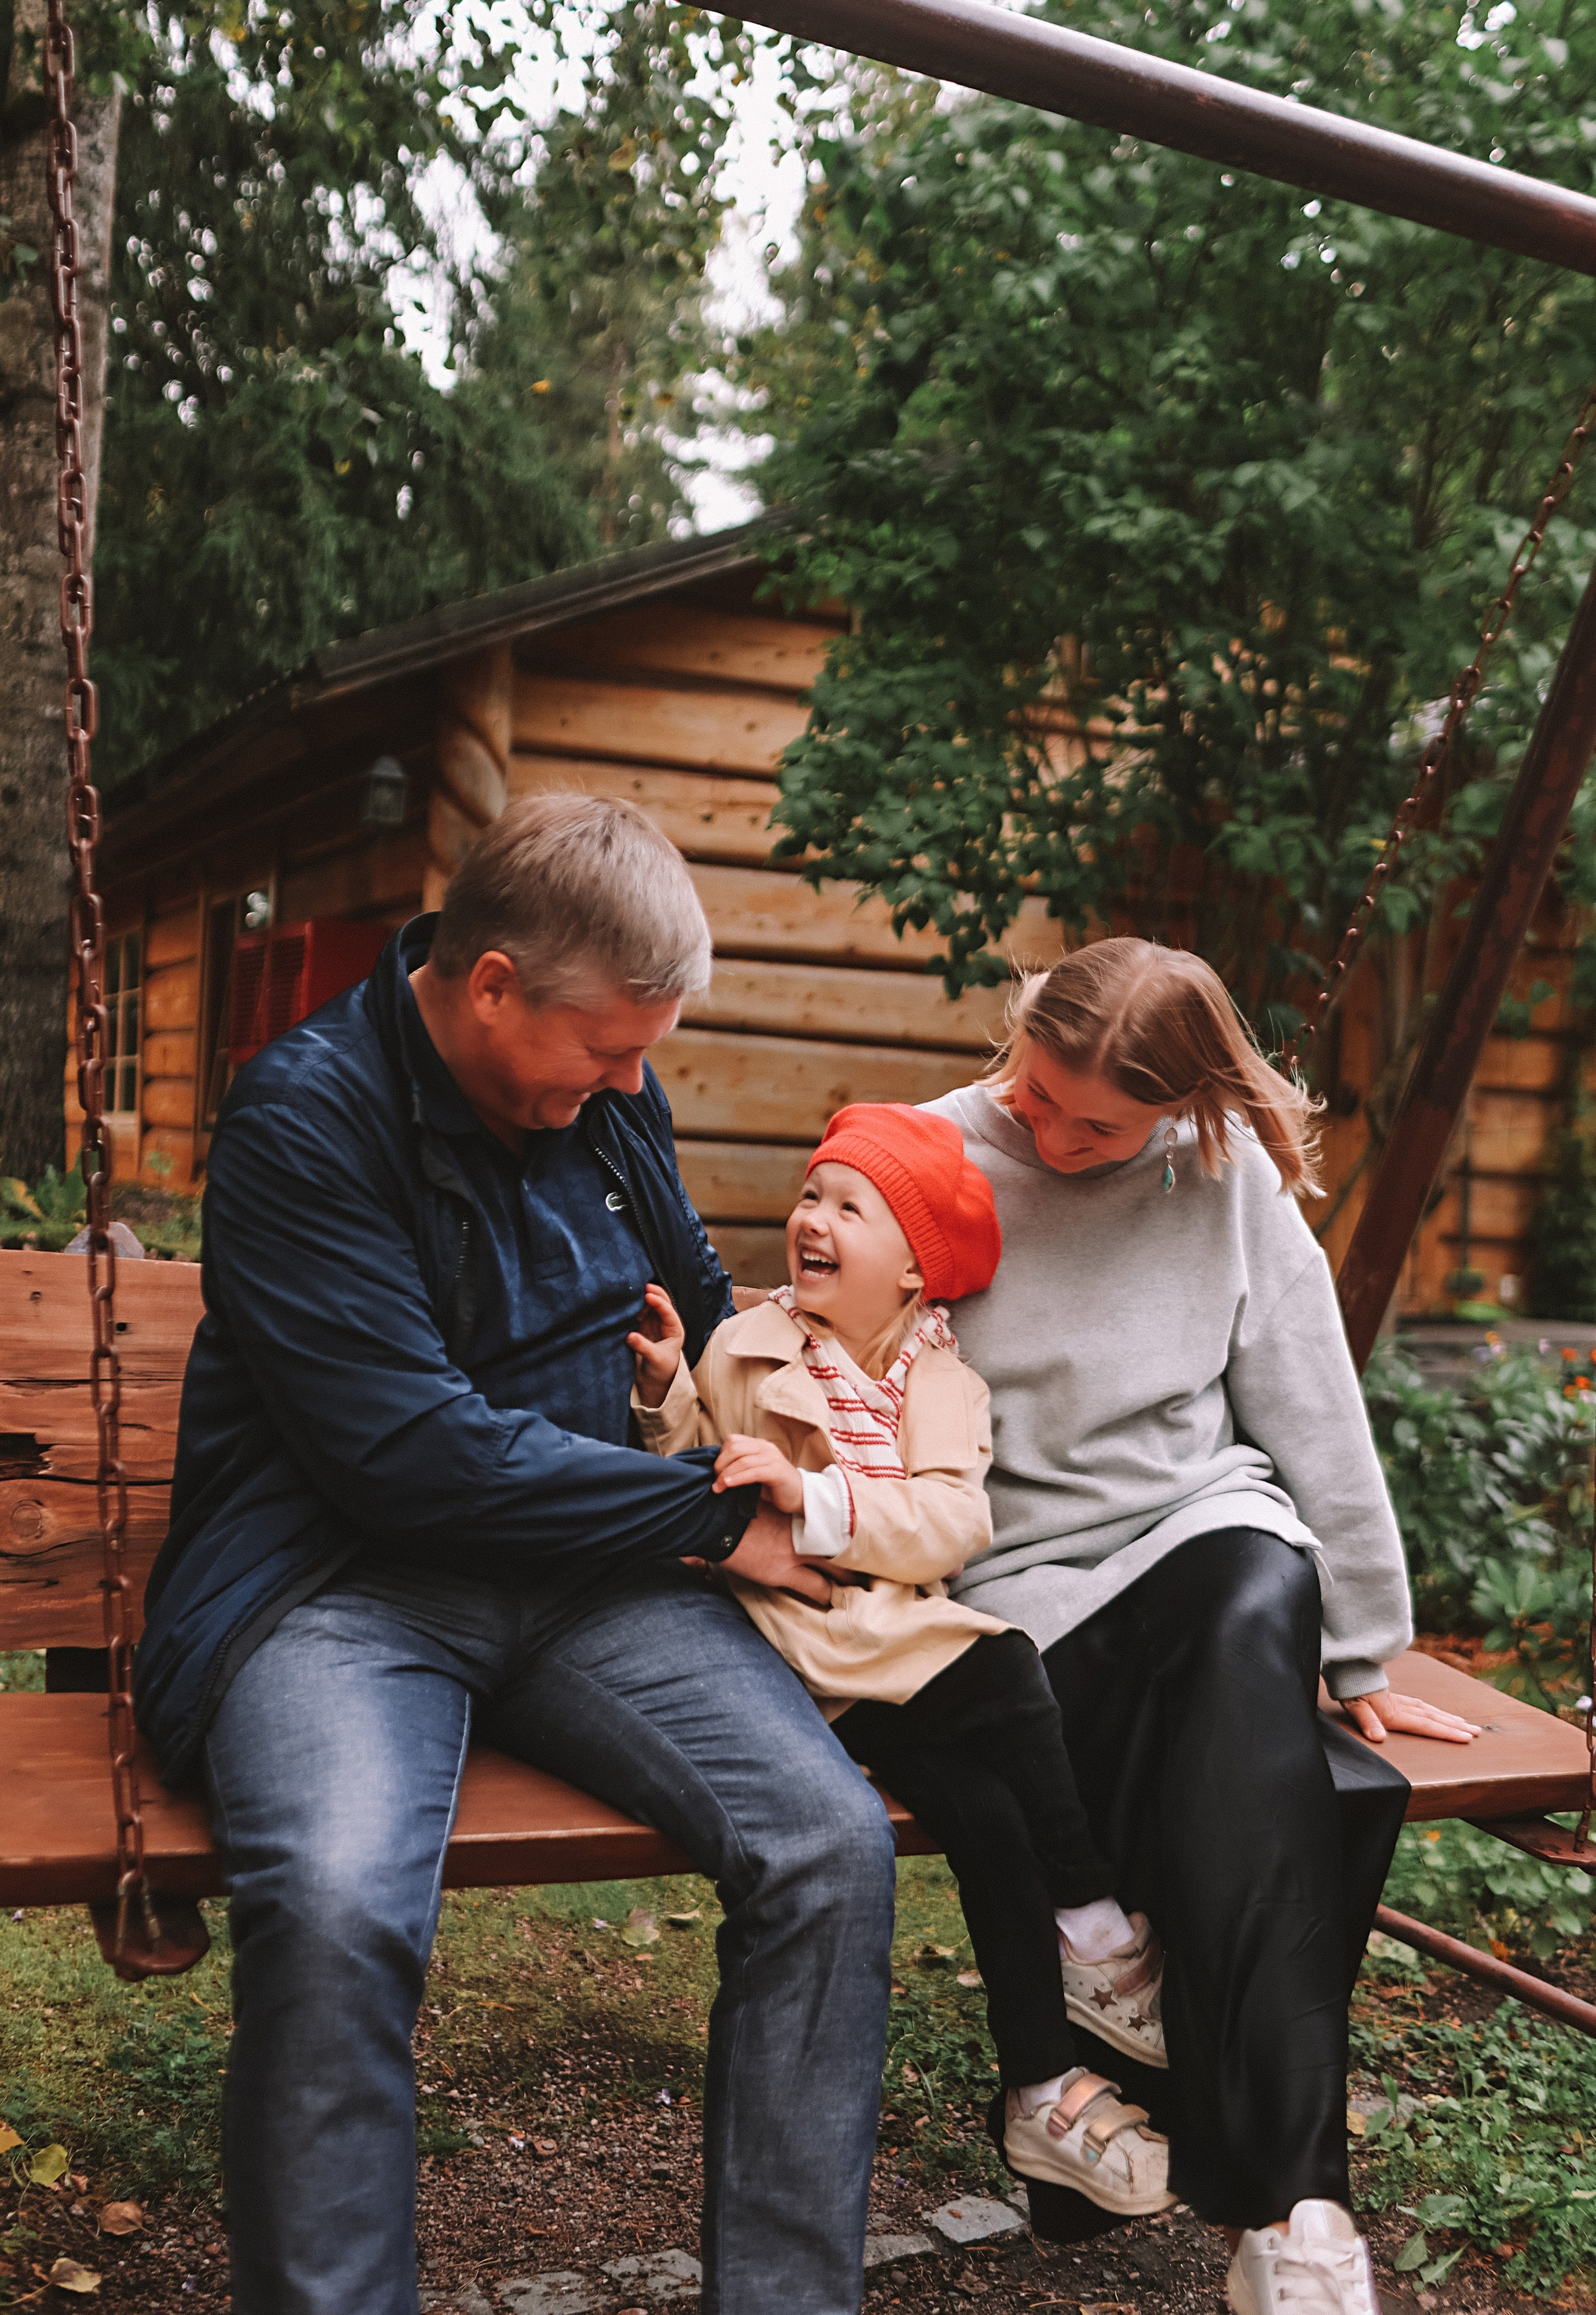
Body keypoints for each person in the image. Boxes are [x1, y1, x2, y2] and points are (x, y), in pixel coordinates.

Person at [135, 796, 898, 2315]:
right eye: (606, 1049)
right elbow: (410, 1460)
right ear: (491, 984)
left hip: (587, 1578)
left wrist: (818, 1437)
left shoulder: (606, 1099)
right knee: (338, 1904)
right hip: (334, 1584)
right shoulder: (306, 1118)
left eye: (641, 1054)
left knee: (829, 1846)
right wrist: (710, 1521)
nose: (629, 1080)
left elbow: (696, 1289)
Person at [922, 939, 1480, 2315]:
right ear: (1021, 1032)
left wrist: (1361, 1651)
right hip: (1021, 1581)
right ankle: (1293, 2203)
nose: (1057, 1138)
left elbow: (1311, 1410)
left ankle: (1295, 2220)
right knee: (1295, 1791)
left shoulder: (1226, 1177)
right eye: (1040, 1095)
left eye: (1100, 1126)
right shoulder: (928, 1155)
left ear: (1181, 1107)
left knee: (1252, 1597)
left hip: (1196, 1527)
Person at [630, 1103, 1171, 2219]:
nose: (814, 1220)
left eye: (851, 1208)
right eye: (811, 1195)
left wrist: (814, 1497)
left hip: (884, 1661)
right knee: (1008, 1670)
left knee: (989, 1818)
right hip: (790, 1648)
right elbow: (691, 1469)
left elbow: (949, 1528)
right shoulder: (748, 1345)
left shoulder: (943, 1384)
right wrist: (667, 1391)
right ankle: (1094, 1924)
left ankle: (1040, 2089)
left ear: (916, 1270)